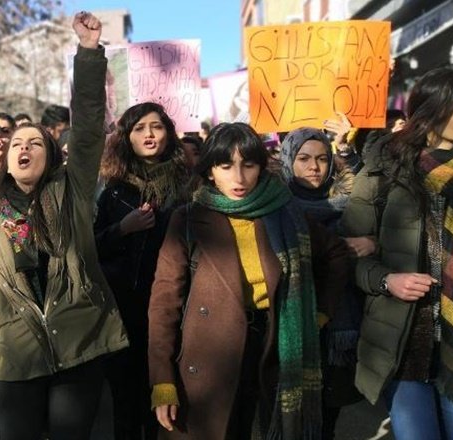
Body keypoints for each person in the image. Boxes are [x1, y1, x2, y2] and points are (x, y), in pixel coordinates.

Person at [0, 13, 129, 439]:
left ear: (51, 156)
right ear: (6, 157)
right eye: (17, 143)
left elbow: (89, 128)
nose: (24, 148)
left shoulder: (70, 190)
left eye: (35, 142)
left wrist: (88, 53)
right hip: (14, 350)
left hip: (77, 341)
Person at [149, 122, 349, 439]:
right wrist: (162, 380)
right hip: (210, 353)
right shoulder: (187, 219)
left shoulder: (284, 212)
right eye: (226, 166)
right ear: (210, 170)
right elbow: (164, 305)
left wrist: (319, 313)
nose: (239, 178)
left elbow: (337, 255)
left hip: (276, 341)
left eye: (249, 165)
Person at [340, 67, 453, 439]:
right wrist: (387, 280)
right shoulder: (384, 169)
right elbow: (348, 252)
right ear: (431, 111)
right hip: (401, 344)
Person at [94, 102, 191, 440]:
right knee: (125, 398)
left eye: (157, 126)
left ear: (169, 133)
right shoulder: (113, 189)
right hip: (123, 309)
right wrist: (123, 227)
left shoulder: (187, 186)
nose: (149, 134)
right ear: (127, 137)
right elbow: (91, 247)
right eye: (139, 128)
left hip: (173, 308)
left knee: (165, 398)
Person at [278, 127, 369, 439]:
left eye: (321, 159)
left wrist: (372, 244)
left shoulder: (352, 206)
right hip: (292, 328)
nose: (314, 167)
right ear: (288, 161)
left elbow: (371, 188)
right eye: (303, 159)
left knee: (327, 417)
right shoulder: (275, 208)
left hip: (339, 331)